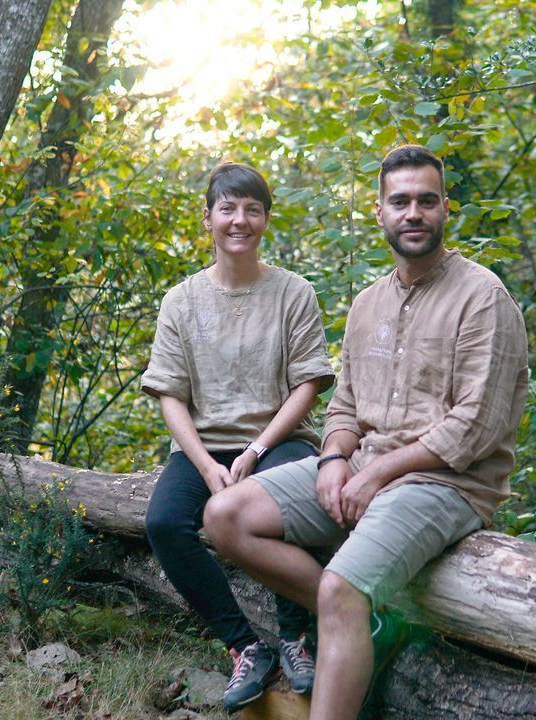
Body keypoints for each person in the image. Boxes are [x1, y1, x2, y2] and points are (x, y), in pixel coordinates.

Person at [204, 144, 529, 719]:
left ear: (445, 210)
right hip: (365, 465)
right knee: (225, 516)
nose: (413, 213)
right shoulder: (368, 303)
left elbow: (475, 427)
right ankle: (367, 622)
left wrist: (376, 472)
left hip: (446, 484)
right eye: (399, 201)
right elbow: (345, 406)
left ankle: (347, 612)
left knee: (340, 588)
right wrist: (333, 460)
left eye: (426, 201)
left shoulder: (483, 298)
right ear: (378, 211)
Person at [140, 162, 334, 711]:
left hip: (281, 440)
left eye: (251, 209)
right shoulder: (181, 300)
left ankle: (296, 638)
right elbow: (170, 394)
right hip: (204, 446)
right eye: (228, 208)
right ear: (208, 218)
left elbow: (308, 384)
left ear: (266, 219)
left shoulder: (293, 293)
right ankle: (246, 647)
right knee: (164, 523)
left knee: (284, 506)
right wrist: (204, 466)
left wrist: (257, 450)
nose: (239, 220)